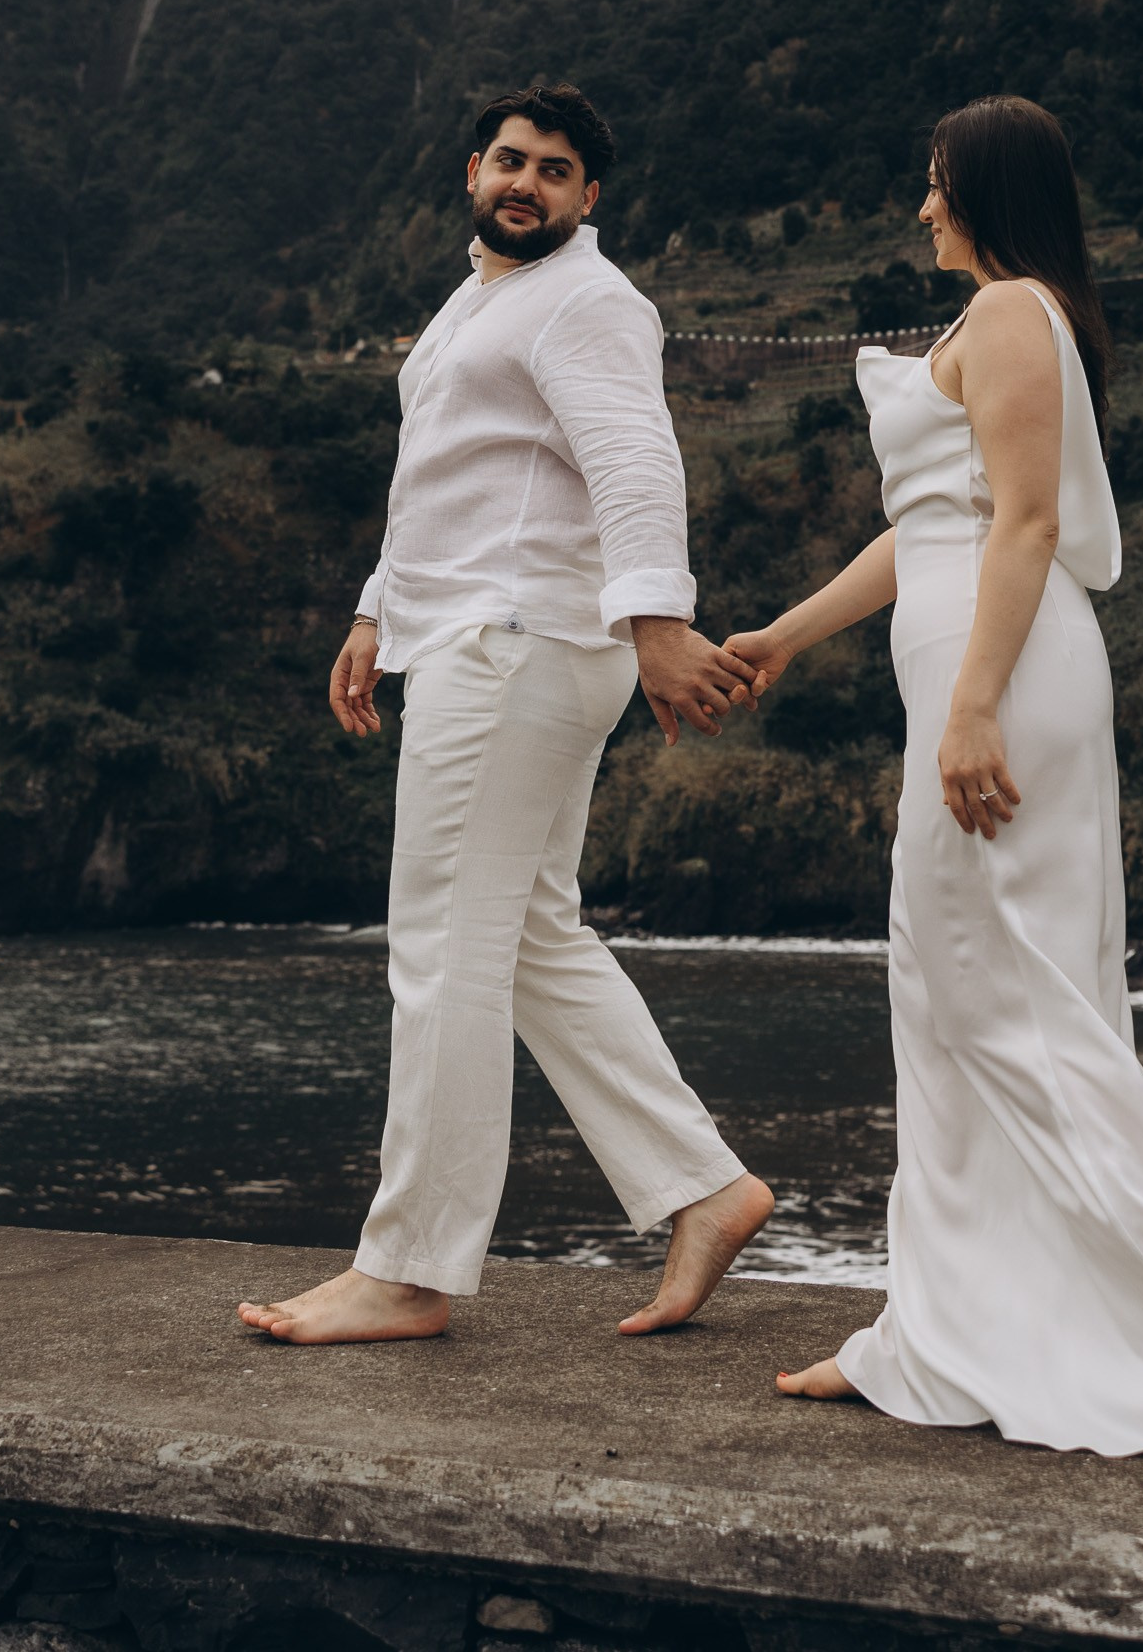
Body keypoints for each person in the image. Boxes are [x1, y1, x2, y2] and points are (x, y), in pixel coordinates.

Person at [728, 96, 1143, 1466]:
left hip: (1006, 680)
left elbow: (1022, 524)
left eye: (934, 183)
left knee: (1007, 998)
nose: (921, 208)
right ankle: (945, 1330)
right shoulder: (988, 323)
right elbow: (930, 527)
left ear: (985, 188)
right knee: (952, 995)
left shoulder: (1018, 313)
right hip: (974, 671)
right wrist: (786, 636)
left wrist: (971, 709)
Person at [238, 78, 773, 1346]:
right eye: (509, 161)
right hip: (485, 633)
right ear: (472, 171)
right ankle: (705, 1188)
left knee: (439, 947)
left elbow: (635, 460)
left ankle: (411, 1269)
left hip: (524, 639)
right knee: (530, 937)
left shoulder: (588, 298)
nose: (526, 182)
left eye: (555, 170)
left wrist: (655, 625)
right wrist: (378, 611)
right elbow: (445, 478)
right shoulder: (478, 304)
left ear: (589, 197)